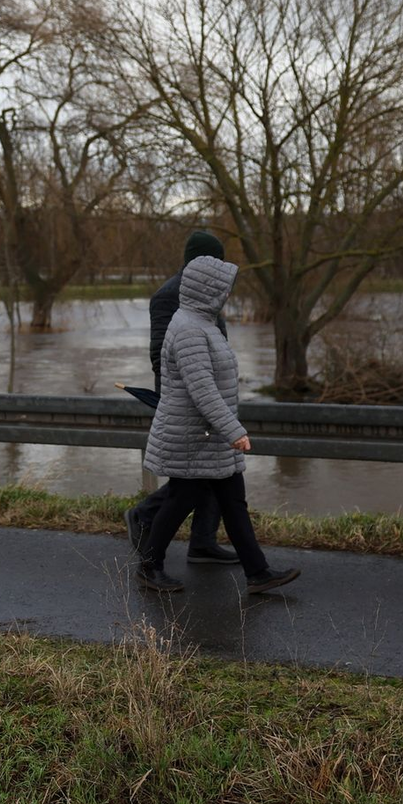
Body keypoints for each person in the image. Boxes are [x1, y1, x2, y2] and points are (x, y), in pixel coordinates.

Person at [133, 253, 300, 596]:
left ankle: (258, 572)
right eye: (223, 289)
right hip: (193, 435)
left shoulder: (202, 322)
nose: (228, 294)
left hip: (207, 435)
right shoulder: (189, 330)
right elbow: (202, 389)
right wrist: (234, 430)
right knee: (180, 499)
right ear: (208, 290)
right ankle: (149, 567)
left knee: (232, 500)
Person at [124, 231, 238, 566]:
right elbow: (161, 356)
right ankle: (144, 515)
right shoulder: (168, 296)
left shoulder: (207, 290)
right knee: (198, 475)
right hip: (184, 401)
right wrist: (186, 396)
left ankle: (202, 542)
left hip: (211, 396)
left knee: (211, 470)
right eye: (214, 259)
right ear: (197, 259)